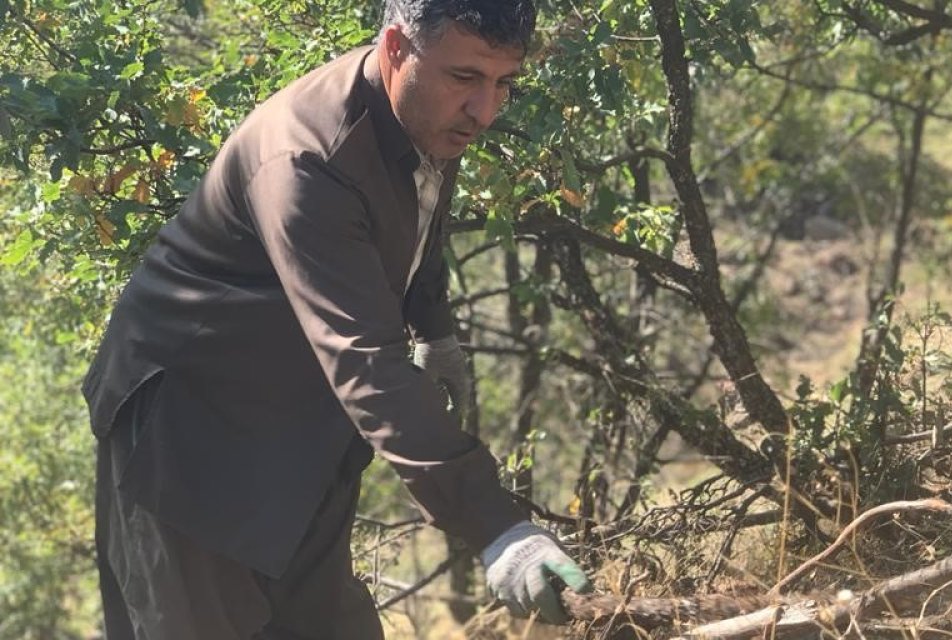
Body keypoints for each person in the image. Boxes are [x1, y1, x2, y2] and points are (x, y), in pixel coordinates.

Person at [82, 1, 591, 637]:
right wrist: (498, 528)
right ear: (397, 48)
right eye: (466, 79)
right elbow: (364, 358)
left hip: (297, 424)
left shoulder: (426, 114)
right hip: (185, 438)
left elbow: (417, 225)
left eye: (503, 84)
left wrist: (433, 330)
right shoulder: (309, 158)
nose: (485, 111)